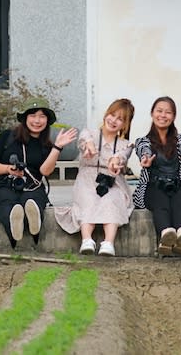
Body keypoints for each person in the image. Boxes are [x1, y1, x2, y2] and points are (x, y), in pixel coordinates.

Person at [0, 98, 77, 248]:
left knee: (33, 199)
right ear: (25, 118)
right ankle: (13, 221)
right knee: (6, 199)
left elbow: (45, 171)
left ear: (47, 120)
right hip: (4, 184)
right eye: (33, 115)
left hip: (32, 187)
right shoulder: (7, 136)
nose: (37, 120)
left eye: (42, 116)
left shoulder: (46, 145)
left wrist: (57, 148)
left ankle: (34, 221)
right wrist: (8, 169)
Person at [55, 98, 136, 257]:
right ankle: (87, 240)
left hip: (112, 181)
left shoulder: (125, 144)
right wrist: (89, 147)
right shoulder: (89, 133)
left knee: (111, 200)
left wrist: (115, 162)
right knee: (88, 198)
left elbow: (121, 157)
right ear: (106, 114)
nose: (114, 121)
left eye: (120, 119)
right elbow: (85, 141)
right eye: (112, 115)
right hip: (87, 179)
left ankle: (108, 243)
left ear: (125, 124)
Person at [133, 96, 181, 256]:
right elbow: (144, 150)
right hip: (153, 187)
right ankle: (166, 234)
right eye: (159, 111)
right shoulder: (143, 141)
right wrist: (145, 159)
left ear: (174, 116)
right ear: (152, 113)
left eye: (168, 112)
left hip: (178, 185)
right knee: (160, 198)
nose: (163, 115)